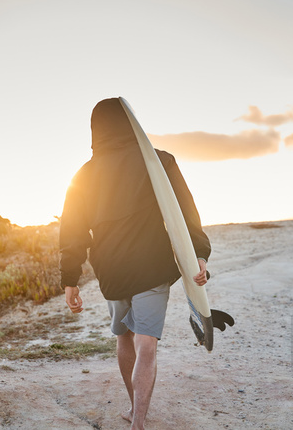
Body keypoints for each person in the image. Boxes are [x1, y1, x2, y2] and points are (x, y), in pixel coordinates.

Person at [59, 97, 211, 430]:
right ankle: (139, 420)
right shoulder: (159, 162)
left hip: (111, 271)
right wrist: (199, 253)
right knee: (146, 344)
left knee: (124, 338)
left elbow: (72, 231)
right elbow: (185, 212)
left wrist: (70, 278)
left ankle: (132, 407)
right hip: (151, 267)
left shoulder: (84, 175)